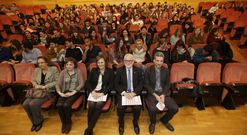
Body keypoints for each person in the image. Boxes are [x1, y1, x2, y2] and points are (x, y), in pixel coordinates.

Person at [144, 52, 179, 134]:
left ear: (163, 61)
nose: (159, 63)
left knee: (175, 108)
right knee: (152, 109)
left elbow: (167, 84)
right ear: (154, 61)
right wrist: (155, 95)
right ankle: (153, 122)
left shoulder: (166, 70)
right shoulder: (148, 70)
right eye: (157, 60)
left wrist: (163, 94)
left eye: (161, 61)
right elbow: (146, 84)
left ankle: (164, 120)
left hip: (164, 93)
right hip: (153, 94)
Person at [23, 56, 59, 132]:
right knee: (25, 104)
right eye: (39, 63)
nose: (40, 64)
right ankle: (34, 122)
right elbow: (33, 80)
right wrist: (36, 85)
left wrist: (45, 86)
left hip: (48, 91)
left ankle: (38, 122)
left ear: (46, 62)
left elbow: (57, 81)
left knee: (33, 104)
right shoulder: (36, 70)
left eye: (42, 62)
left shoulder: (53, 69)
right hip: (37, 91)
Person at [84, 55, 114, 135]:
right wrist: (92, 91)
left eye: (102, 62)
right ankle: (90, 128)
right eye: (98, 62)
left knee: (97, 106)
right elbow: (88, 82)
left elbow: (111, 85)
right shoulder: (94, 70)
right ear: (97, 64)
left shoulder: (110, 71)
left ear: (105, 63)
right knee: (91, 106)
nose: (100, 64)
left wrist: (102, 93)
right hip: (94, 91)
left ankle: (89, 129)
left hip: (104, 92)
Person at [115, 53, 143, 135]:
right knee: (120, 107)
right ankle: (121, 123)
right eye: (126, 60)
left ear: (133, 61)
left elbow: (141, 83)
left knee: (138, 108)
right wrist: (124, 93)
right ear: (123, 61)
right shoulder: (120, 70)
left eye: (130, 60)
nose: (128, 62)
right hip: (124, 93)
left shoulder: (138, 70)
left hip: (134, 93)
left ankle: (135, 122)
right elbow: (116, 84)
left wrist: (134, 93)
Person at [56, 57, 85, 134]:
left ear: (74, 65)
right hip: (64, 92)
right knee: (59, 105)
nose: (68, 66)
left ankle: (68, 123)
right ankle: (63, 123)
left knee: (66, 105)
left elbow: (82, 83)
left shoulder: (78, 71)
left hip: (75, 92)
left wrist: (73, 92)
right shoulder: (63, 72)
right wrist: (60, 92)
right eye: (67, 64)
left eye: (71, 64)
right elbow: (58, 84)